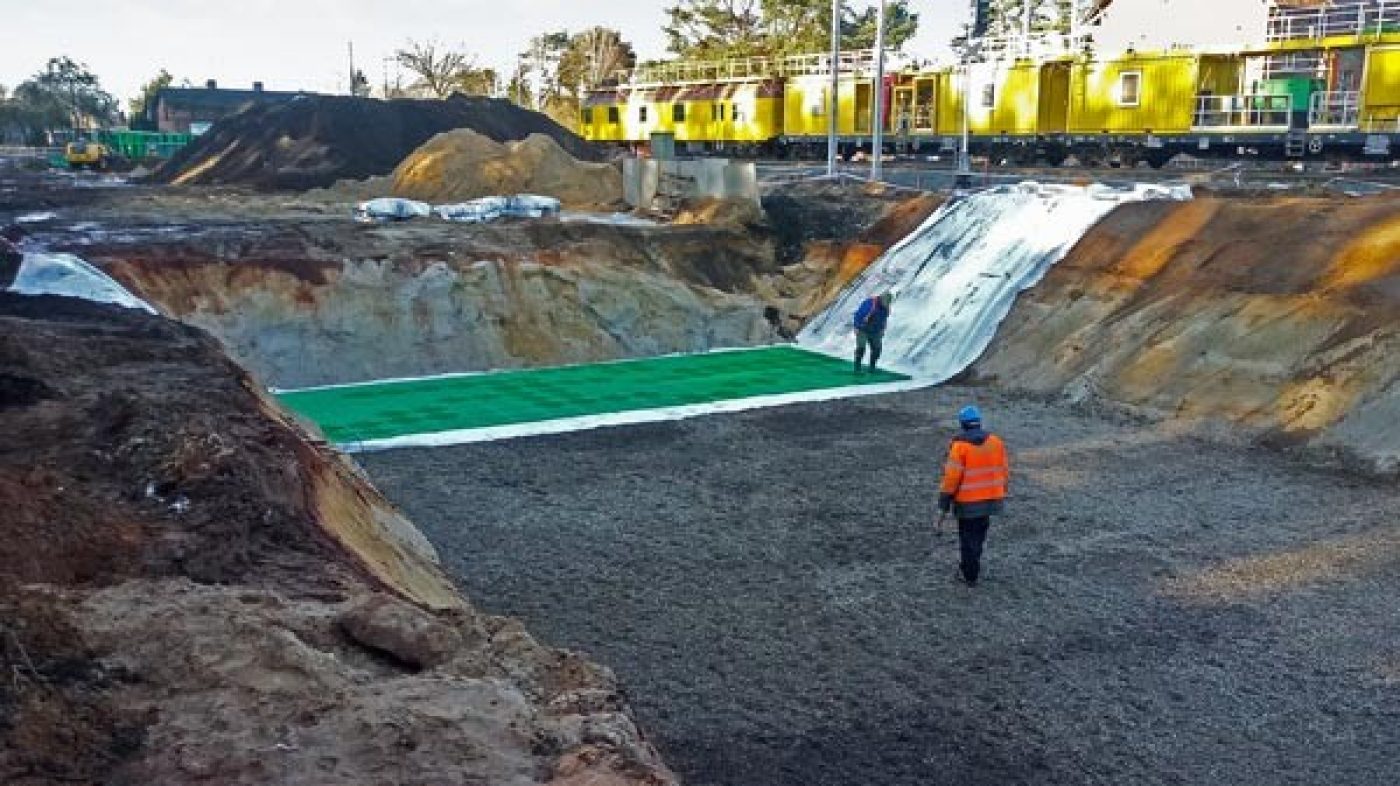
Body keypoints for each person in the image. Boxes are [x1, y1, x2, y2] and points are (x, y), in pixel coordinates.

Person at [938, 405, 1010, 587]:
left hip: (967, 502)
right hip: (991, 499)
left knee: (967, 537)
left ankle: (969, 574)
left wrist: (944, 501)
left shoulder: (960, 446)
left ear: (962, 424)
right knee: (979, 535)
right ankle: (971, 566)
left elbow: (952, 477)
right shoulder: (996, 442)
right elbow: (1004, 471)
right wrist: (1001, 492)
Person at [852, 292, 892, 374]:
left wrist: (882, 330)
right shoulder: (870, 304)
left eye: (888, 303)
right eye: (886, 303)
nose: (887, 304)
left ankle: (872, 366)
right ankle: (857, 367)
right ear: (882, 299)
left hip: (875, 331)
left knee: (877, 349)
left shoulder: (886, 308)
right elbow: (858, 315)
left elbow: (884, 320)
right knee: (861, 347)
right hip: (863, 329)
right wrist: (856, 326)